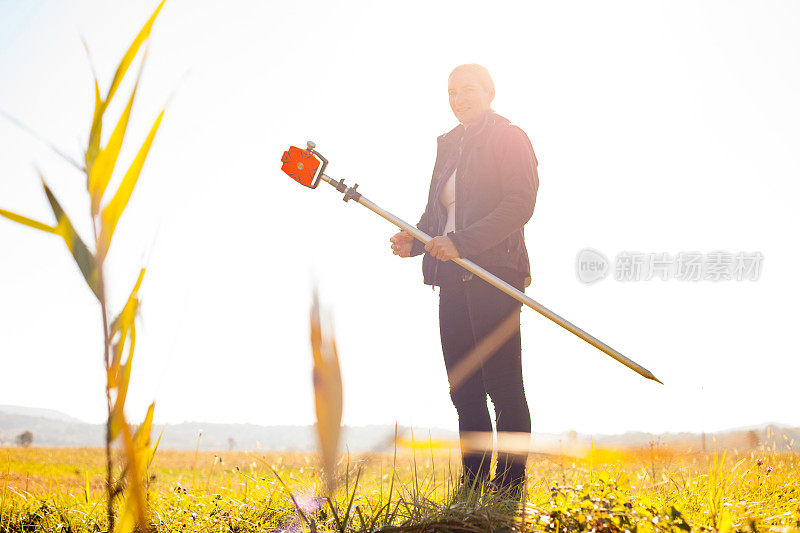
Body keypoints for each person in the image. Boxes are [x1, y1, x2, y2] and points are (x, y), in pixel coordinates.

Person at [389, 64, 539, 496]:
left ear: (489, 91)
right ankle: (473, 485)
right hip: (452, 276)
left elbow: (520, 204)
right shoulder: (449, 146)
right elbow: (439, 216)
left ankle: (510, 487)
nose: (459, 99)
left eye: (468, 90)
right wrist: (416, 241)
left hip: (495, 273)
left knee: (503, 386)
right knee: (463, 386)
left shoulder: (509, 137)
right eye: (451, 92)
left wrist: (464, 242)